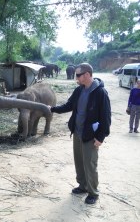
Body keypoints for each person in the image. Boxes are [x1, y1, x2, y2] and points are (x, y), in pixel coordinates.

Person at [49, 63, 111, 205]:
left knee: (90, 164)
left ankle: (93, 192)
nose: (76, 78)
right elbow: (69, 106)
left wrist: (100, 137)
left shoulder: (101, 93)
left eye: (78, 75)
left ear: (87, 75)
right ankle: (82, 186)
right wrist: (52, 109)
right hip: (77, 133)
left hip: (91, 135)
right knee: (79, 162)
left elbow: (106, 117)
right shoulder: (79, 90)